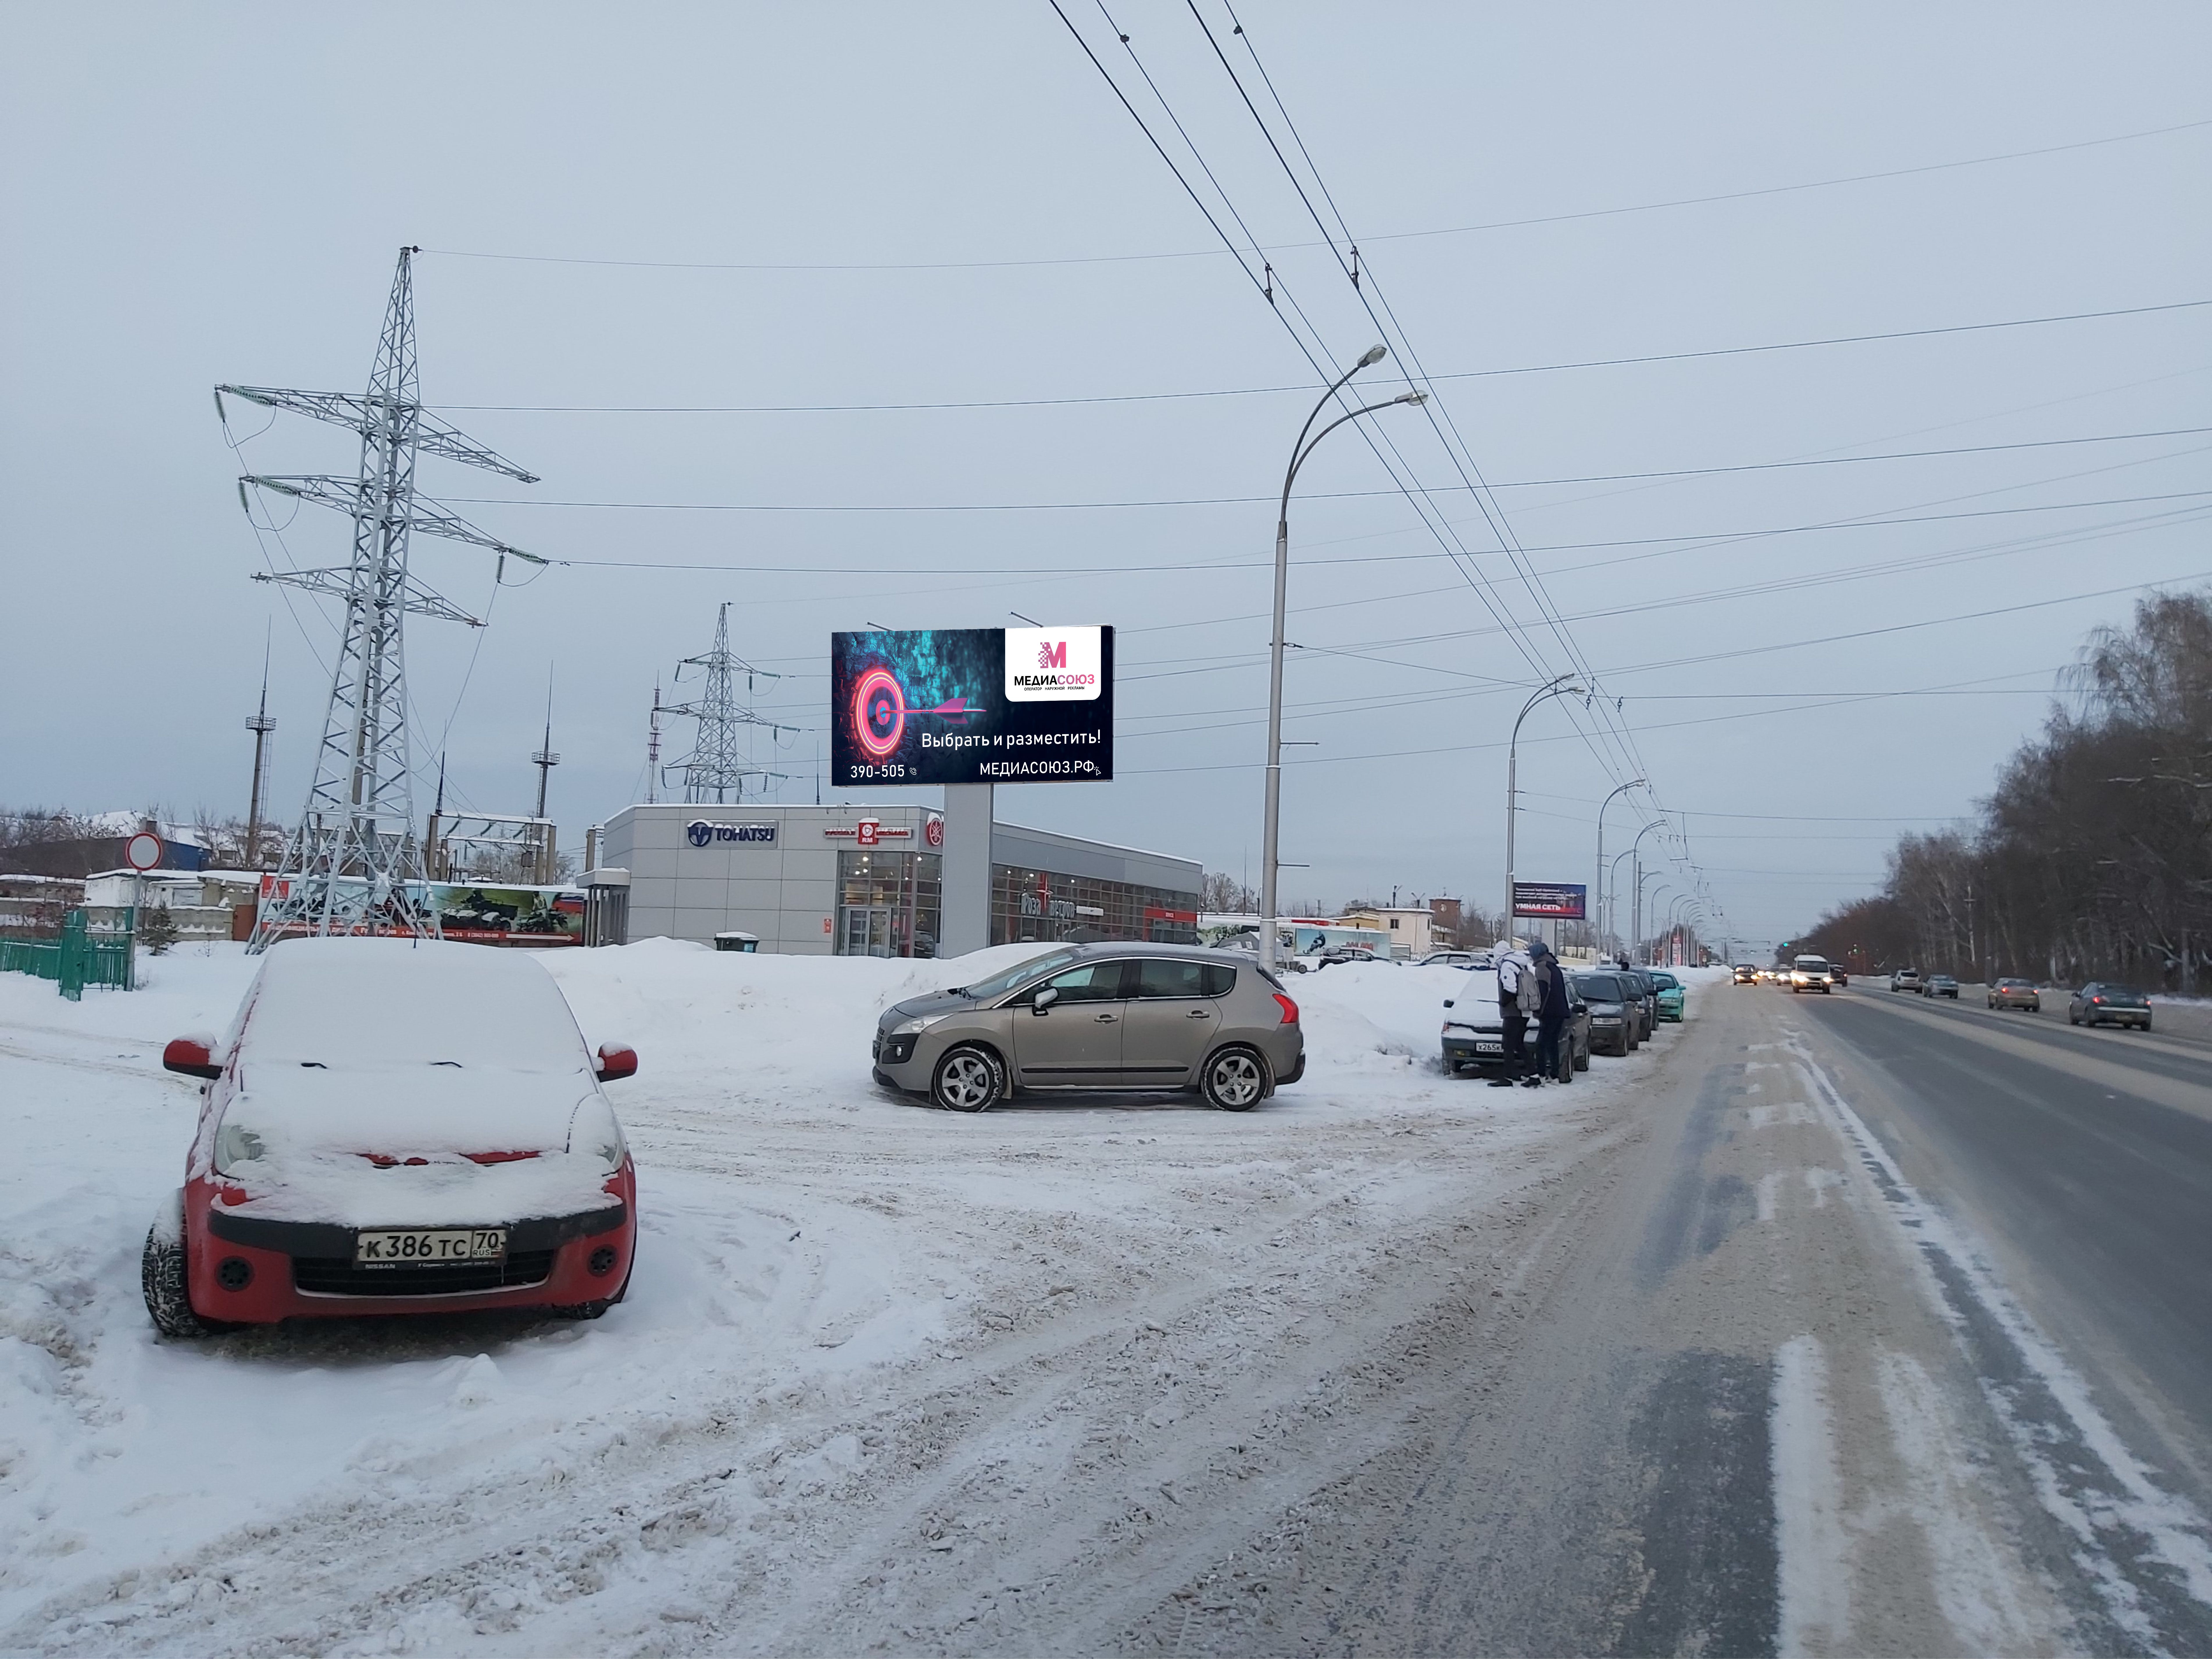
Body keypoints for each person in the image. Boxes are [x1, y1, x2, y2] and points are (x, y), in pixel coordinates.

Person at [1491, 944, 1534, 1087]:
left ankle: (1508, 1078)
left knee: (1509, 1045)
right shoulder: (1522, 964)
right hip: (1524, 1010)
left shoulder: (1507, 965)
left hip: (1513, 1012)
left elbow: (1510, 988)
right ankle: (1533, 1075)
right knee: (1519, 1044)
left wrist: (1503, 1003)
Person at [1529, 941, 1567, 1086]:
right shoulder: (1554, 967)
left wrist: (1538, 1011)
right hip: (1560, 1010)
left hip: (1550, 1011)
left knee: (1541, 1044)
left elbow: (1543, 992)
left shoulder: (1542, 968)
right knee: (1552, 1044)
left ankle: (1541, 1075)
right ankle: (1555, 1075)